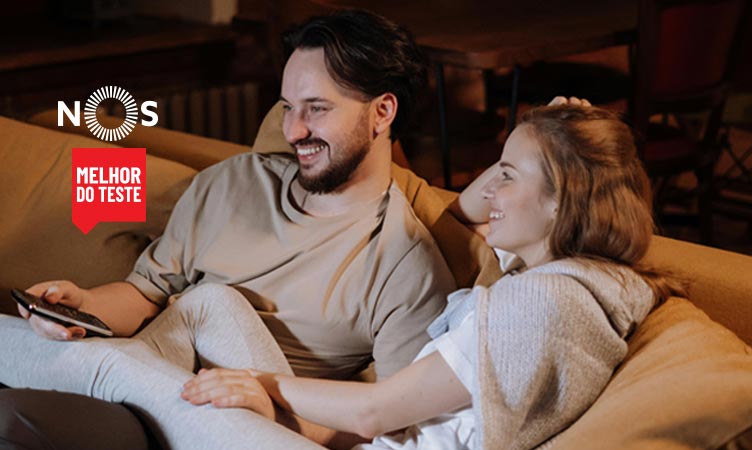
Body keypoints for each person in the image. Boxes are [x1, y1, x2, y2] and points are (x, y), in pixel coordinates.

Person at [0, 10, 455, 450]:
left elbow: (391, 430)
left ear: (382, 112)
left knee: (209, 303)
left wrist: (268, 412)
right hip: (152, 387)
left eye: (316, 109)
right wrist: (85, 306)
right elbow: (145, 294)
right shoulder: (232, 183)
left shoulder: (406, 266)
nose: (294, 130)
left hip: (242, 428)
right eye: (287, 107)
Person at [179, 103, 682, 450]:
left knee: (117, 368)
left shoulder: (548, 302)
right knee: (210, 302)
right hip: (351, 439)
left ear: (560, 200)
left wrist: (259, 386)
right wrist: (553, 130)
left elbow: (375, 413)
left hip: (368, 434)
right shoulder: (553, 277)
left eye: (507, 176)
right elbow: (462, 216)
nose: (492, 192)